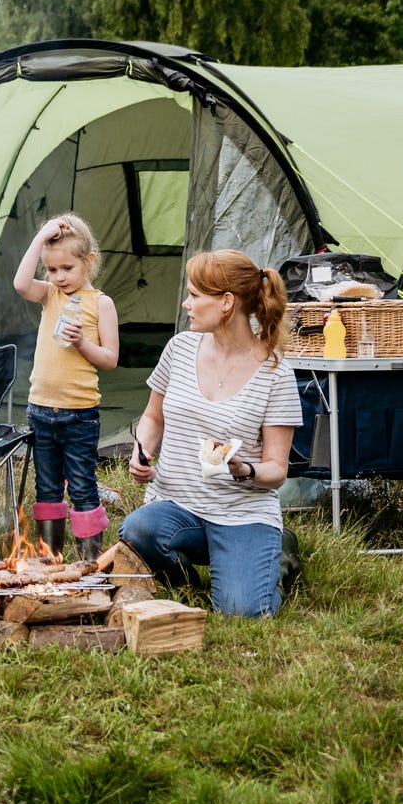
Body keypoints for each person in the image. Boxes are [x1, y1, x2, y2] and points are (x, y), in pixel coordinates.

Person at [117, 249, 302, 617]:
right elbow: (153, 418)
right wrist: (142, 451)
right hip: (177, 506)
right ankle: (190, 582)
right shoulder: (179, 349)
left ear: (226, 303)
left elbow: (276, 470)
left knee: (241, 613)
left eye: (194, 295)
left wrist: (245, 470)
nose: (186, 304)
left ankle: (277, 555)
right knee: (136, 531)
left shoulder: (276, 374)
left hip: (241, 513)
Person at [12, 213, 119, 558]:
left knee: (84, 486)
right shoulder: (49, 296)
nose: (59, 278)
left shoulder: (101, 303)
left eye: (67, 269)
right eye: (53, 270)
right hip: (41, 410)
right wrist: (40, 238)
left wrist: (82, 344)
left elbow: (110, 358)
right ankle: (51, 558)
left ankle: (89, 561)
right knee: (47, 489)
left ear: (88, 262)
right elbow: (20, 284)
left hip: (79, 414)